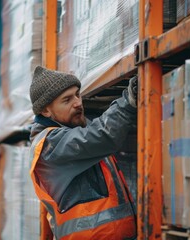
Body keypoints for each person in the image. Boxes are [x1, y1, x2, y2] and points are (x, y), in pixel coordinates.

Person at [29, 66, 137, 240]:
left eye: (77, 94)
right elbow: (104, 135)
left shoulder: (76, 129)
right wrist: (128, 102)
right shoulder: (50, 145)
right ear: (46, 111)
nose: (78, 102)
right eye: (67, 100)